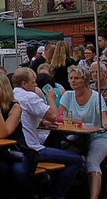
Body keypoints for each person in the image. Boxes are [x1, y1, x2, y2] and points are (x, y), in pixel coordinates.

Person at [12, 67, 83, 199]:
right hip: (34, 149)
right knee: (77, 160)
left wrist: (43, 123)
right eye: (33, 82)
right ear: (24, 84)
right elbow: (54, 116)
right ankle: (55, 195)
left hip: (20, 147)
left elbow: (24, 119)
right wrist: (50, 98)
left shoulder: (14, 94)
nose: (36, 85)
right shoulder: (30, 97)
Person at [59, 65, 107, 199]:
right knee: (64, 153)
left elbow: (104, 119)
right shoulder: (67, 96)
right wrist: (77, 121)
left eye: (77, 78)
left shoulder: (96, 97)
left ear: (85, 80)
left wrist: (104, 124)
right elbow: (59, 117)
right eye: (71, 78)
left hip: (98, 136)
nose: (73, 81)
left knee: (92, 161)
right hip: (76, 135)